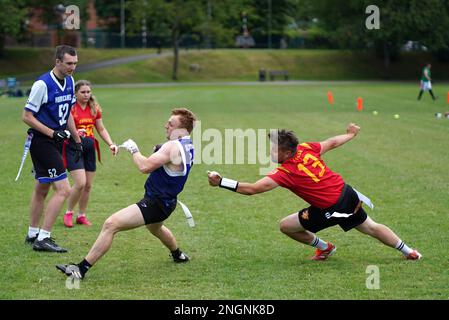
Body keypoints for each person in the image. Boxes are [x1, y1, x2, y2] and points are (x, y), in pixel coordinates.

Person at [207, 123, 422, 261]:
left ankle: (325, 247)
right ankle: (409, 251)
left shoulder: (286, 172)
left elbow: (253, 189)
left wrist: (221, 182)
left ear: (289, 151)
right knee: (371, 227)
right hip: (348, 193)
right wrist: (351, 134)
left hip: (332, 208)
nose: (271, 151)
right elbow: (332, 142)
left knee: (286, 226)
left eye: (275, 149)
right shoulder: (306, 148)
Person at [56, 108, 197, 279]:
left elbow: (144, 167)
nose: (165, 125)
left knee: (111, 224)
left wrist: (134, 150)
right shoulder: (188, 144)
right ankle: (178, 255)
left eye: (170, 124)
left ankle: (80, 269)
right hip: (168, 202)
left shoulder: (172, 147)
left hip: (156, 203)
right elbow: (170, 162)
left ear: (181, 130)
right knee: (156, 228)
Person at [22, 45, 82, 253]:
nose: (72, 67)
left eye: (75, 63)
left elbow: (68, 114)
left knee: (42, 188)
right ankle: (43, 238)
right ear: (57, 62)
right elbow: (27, 116)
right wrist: (51, 133)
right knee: (64, 189)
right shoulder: (42, 84)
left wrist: (76, 139)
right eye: (69, 63)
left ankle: (32, 233)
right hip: (42, 142)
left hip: (56, 141)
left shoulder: (70, 80)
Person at [63, 80, 119, 228]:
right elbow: (62, 127)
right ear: (75, 93)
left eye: (88, 92)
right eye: (83, 92)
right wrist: (74, 133)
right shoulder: (70, 108)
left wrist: (111, 143)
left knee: (88, 185)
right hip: (73, 147)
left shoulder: (94, 107)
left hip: (89, 148)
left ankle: (81, 215)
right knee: (80, 183)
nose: (86, 95)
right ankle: (68, 212)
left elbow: (100, 129)